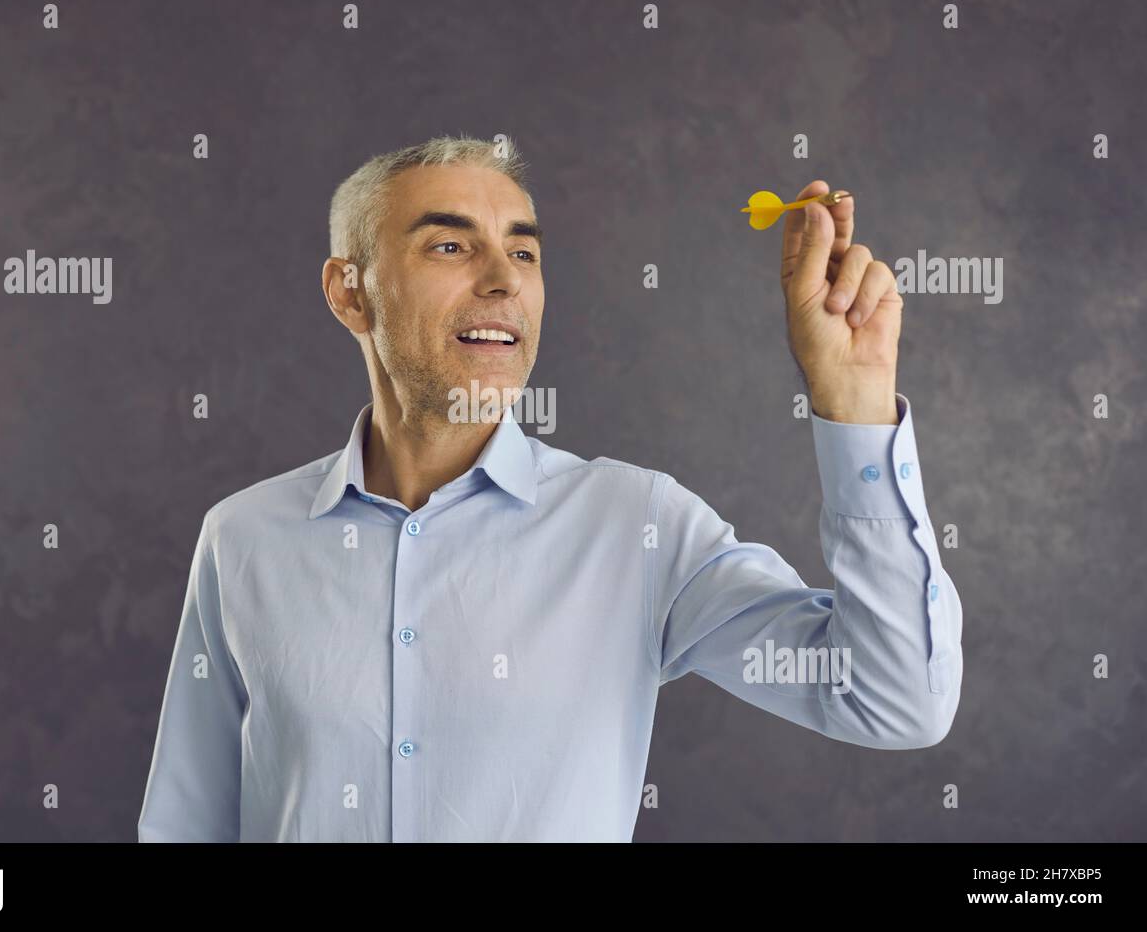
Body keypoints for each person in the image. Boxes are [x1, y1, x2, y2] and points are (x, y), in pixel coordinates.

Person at [137, 135, 962, 842]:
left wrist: (854, 402)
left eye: (524, 252)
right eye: (450, 246)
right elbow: (186, 821)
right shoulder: (243, 537)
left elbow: (894, 701)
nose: (503, 280)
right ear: (349, 291)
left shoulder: (636, 526)